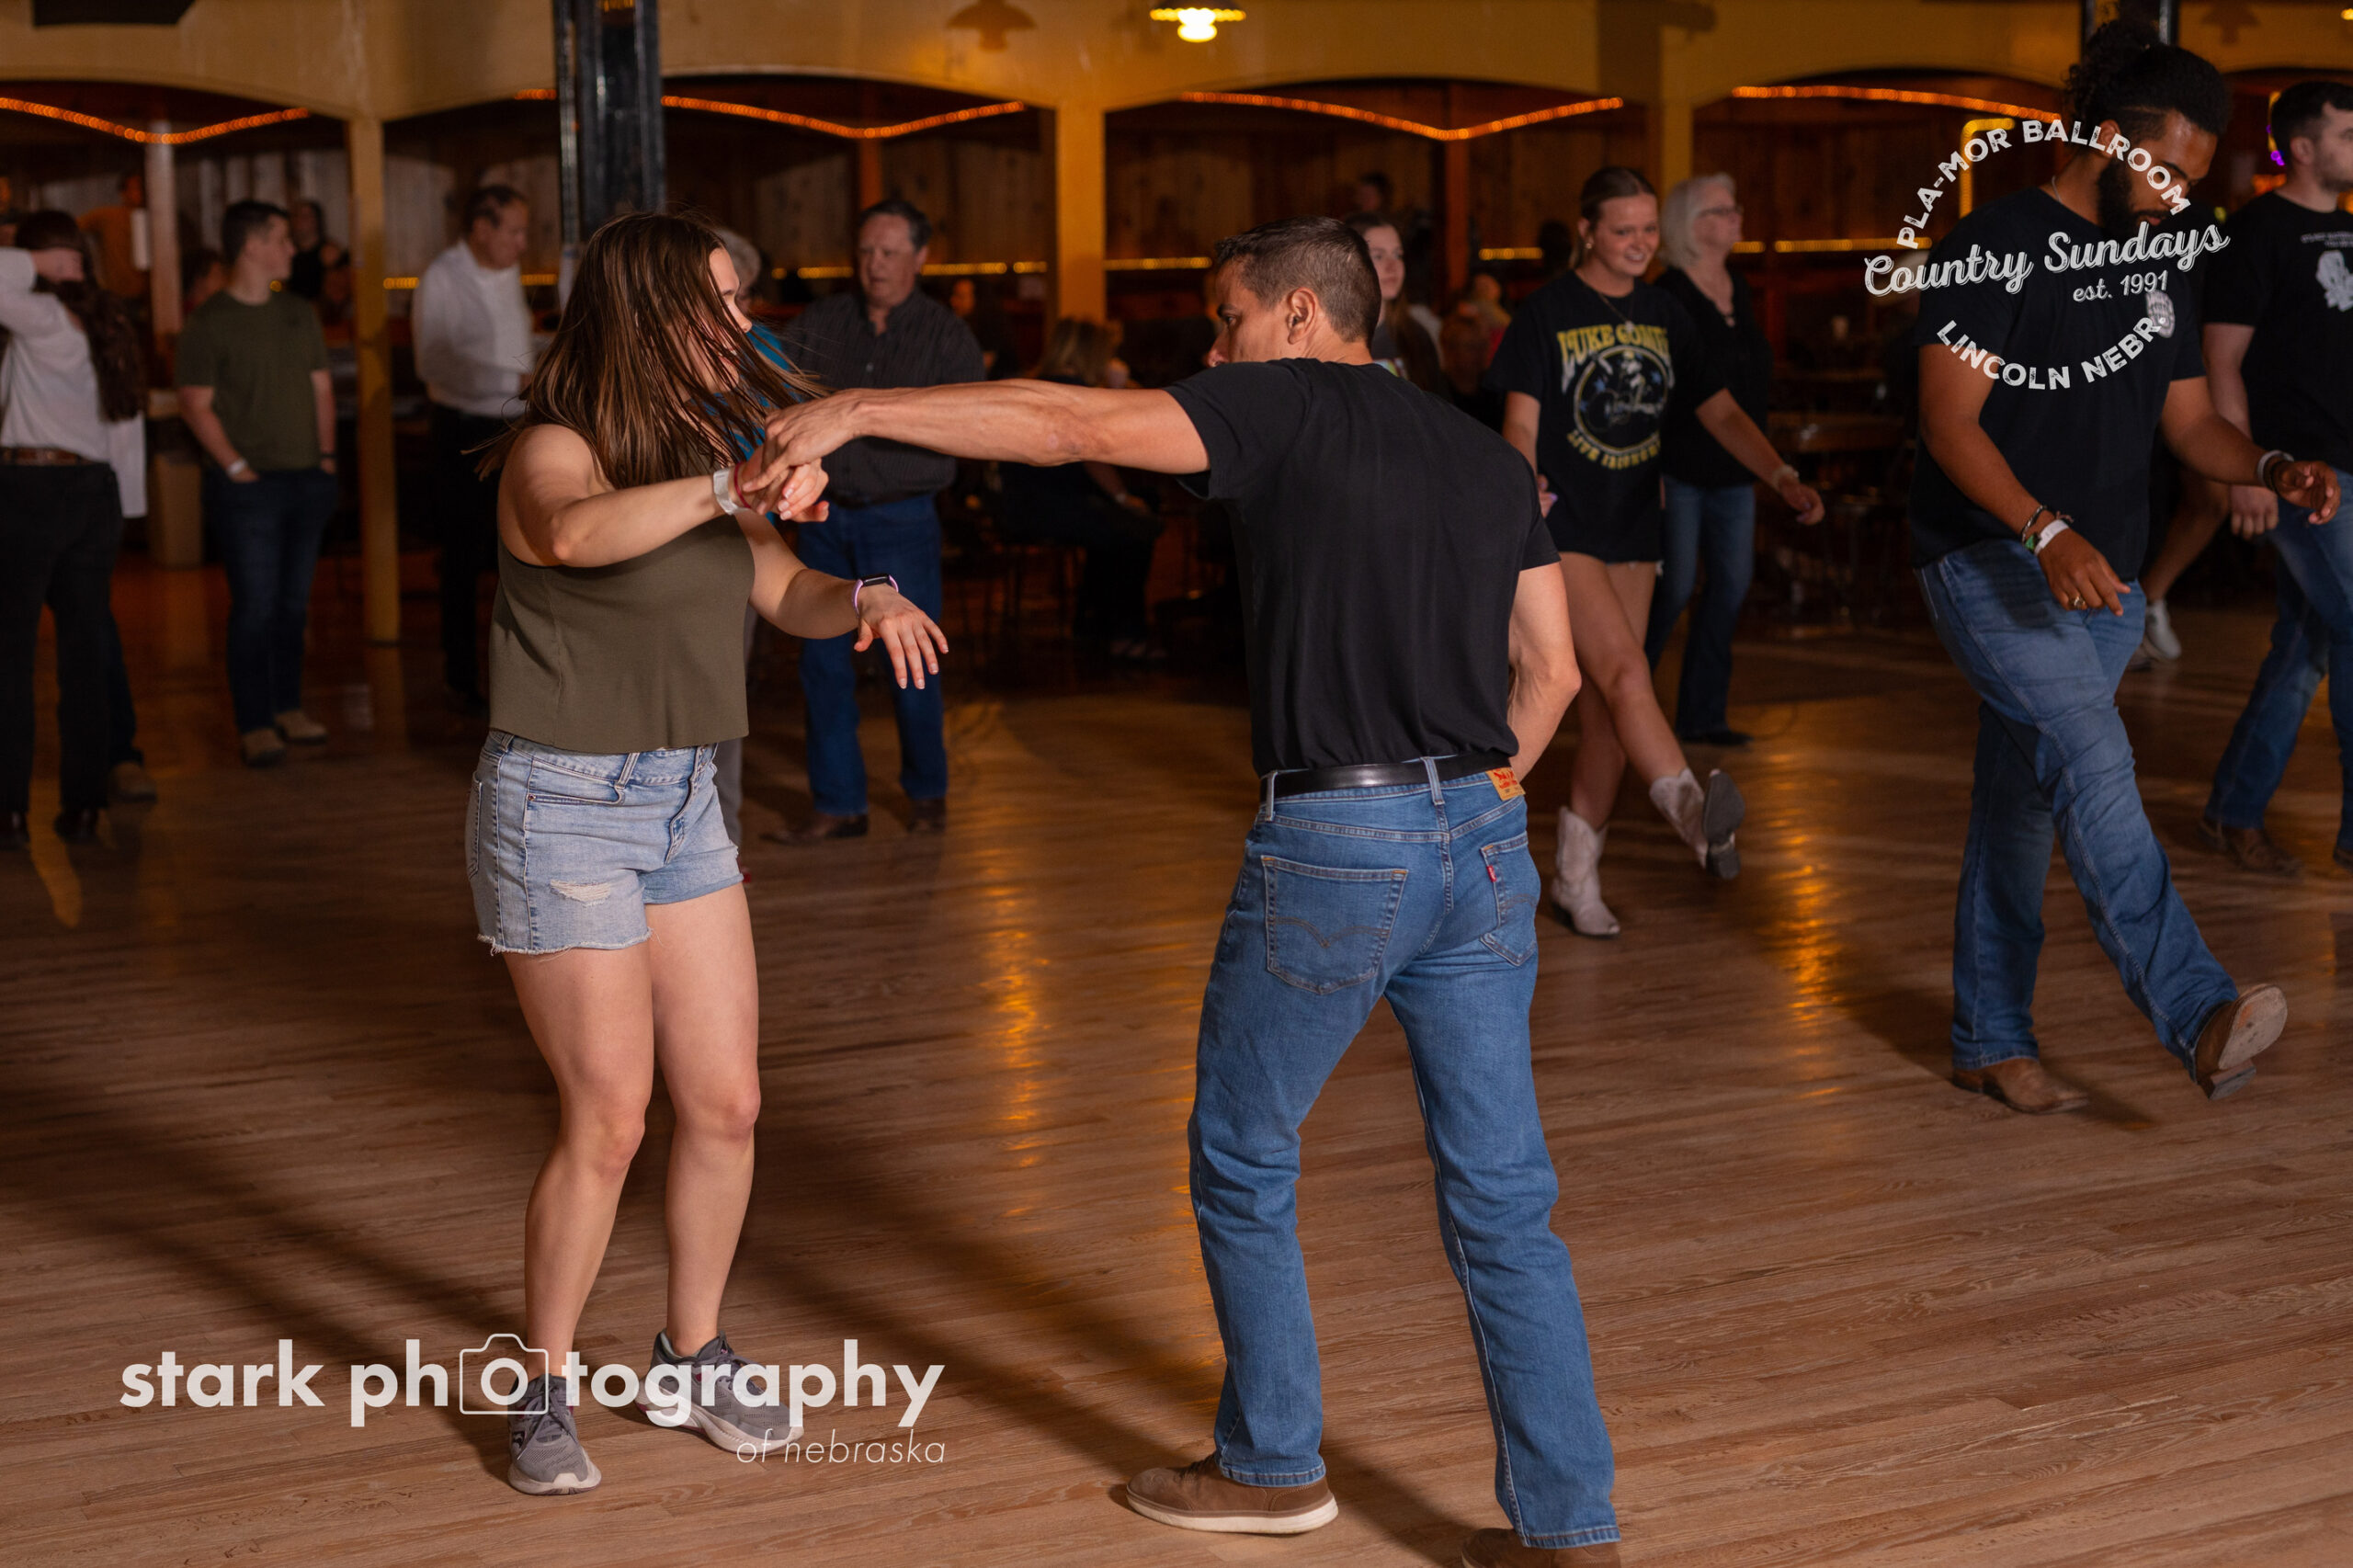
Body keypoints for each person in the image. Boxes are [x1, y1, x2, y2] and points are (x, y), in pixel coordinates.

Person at [760, 212, 1619, 1568]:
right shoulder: (1481, 455)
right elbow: (1554, 672)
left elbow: (1066, 426)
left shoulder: (1281, 402)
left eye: (1227, 318)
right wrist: (1471, 802)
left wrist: (857, 406)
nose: (1214, 350)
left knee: (1243, 1151)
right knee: (1505, 1197)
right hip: (1484, 839)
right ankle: (1571, 1528)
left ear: (1298, 315)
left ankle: (1272, 1465)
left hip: (1338, 834)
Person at [472, 210, 944, 1496]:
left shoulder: (711, 449)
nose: (744, 322)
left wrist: (865, 595)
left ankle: (689, 1352)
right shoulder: (554, 446)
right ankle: (543, 1383)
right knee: (611, 1117)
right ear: (649, 311)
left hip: (685, 798)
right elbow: (571, 534)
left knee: (727, 1101)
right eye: (723, 301)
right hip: (563, 802)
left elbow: (782, 590)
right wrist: (727, 487)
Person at [1906, 22, 2339, 1114]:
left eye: (2193, 179)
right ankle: (2197, 1009)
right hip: (1993, 561)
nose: (2180, 196)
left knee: (2022, 800)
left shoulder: (2158, 261)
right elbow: (1949, 421)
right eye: (2166, 172)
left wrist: (2272, 466)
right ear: (2104, 140)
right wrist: (2044, 532)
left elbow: (2189, 422)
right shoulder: (1992, 244)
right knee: (2095, 763)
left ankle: (1987, 1034)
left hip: (2104, 581)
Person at [1485, 165, 1823, 939]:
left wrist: (1778, 474)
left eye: (1646, 229)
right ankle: (1695, 816)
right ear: (1588, 231)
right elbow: (1520, 422)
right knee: (1628, 673)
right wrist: (1521, 486)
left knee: (1610, 713)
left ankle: (1575, 878)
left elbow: (1721, 411)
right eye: (1623, 230)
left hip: (1636, 524)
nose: (1639, 244)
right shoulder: (1547, 312)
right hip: (1563, 526)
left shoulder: (1666, 313)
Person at [771, 199, 983, 843]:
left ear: (921, 257)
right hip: (825, 517)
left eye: (890, 252)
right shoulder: (822, 322)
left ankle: (927, 793)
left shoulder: (946, 336)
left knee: (910, 661)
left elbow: (972, 424)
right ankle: (839, 803)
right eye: (866, 251)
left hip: (902, 519)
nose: (876, 264)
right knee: (822, 664)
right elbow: (772, 388)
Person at [2198, 80, 2353, 876]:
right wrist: (2251, 470)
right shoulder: (2255, 232)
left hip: (2351, 464)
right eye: (2347, 135)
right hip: (2301, 472)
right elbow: (2220, 359)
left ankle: (2232, 811)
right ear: (2302, 147)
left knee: (2304, 646)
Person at [0, 211, 147, 847]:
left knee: (10, 656)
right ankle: (83, 806)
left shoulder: (42, 316)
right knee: (84, 655)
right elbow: (126, 423)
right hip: (96, 493)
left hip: (29, 490)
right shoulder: (109, 323)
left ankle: (8, 812)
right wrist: (128, 510)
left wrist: (34, 263)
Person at [175, 199, 339, 767]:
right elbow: (194, 404)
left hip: (306, 478)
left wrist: (325, 459)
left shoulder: (298, 312)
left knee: (294, 606)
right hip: (248, 490)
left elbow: (322, 390)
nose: (292, 249)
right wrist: (236, 468)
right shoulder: (208, 321)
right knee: (255, 606)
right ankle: (255, 722)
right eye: (281, 239)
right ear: (251, 246)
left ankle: (288, 706)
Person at [1645, 174, 1777, 749]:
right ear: (1690, 225)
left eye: (1734, 207)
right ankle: (1628, 705)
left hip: (1733, 469)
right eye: (1722, 210)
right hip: (1680, 466)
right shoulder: (1669, 293)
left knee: (1730, 588)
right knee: (1672, 589)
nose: (1736, 217)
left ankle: (1702, 716)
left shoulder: (1738, 286)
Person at [414, 184, 534, 714]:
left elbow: (516, 347)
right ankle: (461, 678)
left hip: (515, 428)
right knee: (462, 558)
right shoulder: (442, 277)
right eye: (515, 231)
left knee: (519, 554)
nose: (523, 243)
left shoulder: (510, 274)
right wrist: (513, 378)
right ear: (482, 229)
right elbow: (433, 363)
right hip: (463, 432)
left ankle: (519, 680)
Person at [995, 318, 1164, 657]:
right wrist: (1123, 497)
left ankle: (1091, 621)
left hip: (1016, 503)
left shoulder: (1035, 385)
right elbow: (1092, 456)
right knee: (1137, 526)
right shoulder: (1075, 393)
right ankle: (1125, 634)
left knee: (1122, 519)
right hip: (1047, 508)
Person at [1344, 210, 1445, 393]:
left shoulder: (1415, 336)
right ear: (1347, 263)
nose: (1393, 266)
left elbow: (1437, 404)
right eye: (1378, 256)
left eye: (1398, 255)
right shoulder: (1327, 338)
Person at [77, 172, 147, 304]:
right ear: (123, 193)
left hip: (151, 294)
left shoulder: (158, 218)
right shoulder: (108, 216)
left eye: (143, 187)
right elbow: (73, 227)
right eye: (136, 188)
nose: (141, 192)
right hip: (117, 294)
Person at [286, 198, 345, 302]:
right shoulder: (287, 251)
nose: (299, 221)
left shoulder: (329, 253)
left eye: (305, 217)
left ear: (316, 221)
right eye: (295, 216)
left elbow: (338, 291)